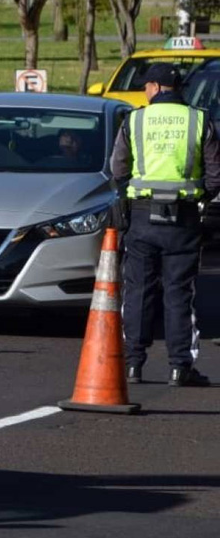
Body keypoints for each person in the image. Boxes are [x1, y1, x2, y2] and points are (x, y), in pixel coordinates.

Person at [111, 62, 220, 387]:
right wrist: (199, 196)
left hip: (142, 216)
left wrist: (129, 193)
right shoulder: (199, 120)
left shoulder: (135, 120)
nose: (144, 90)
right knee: (179, 293)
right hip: (184, 219)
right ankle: (179, 366)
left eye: (146, 86)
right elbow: (216, 173)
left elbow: (118, 168)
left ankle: (132, 364)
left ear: (156, 88)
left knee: (138, 290)